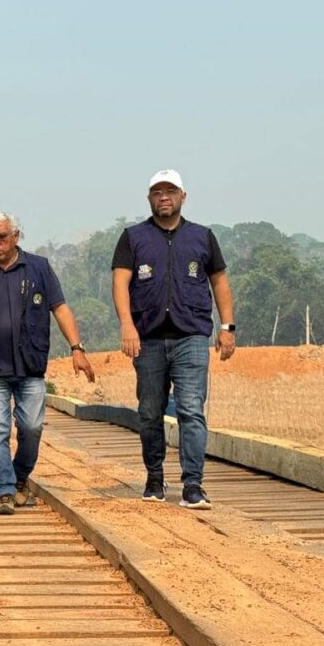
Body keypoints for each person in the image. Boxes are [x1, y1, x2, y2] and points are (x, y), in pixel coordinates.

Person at [0, 212, 95, 515]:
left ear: (16, 236)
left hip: (30, 365)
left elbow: (60, 308)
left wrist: (76, 348)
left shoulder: (39, 267)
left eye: (1, 236)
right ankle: (4, 492)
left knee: (31, 427)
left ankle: (19, 477)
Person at [111, 169, 236, 510]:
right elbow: (120, 282)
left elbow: (220, 282)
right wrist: (127, 326)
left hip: (191, 336)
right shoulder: (133, 237)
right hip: (148, 338)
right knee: (150, 411)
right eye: (157, 192)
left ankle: (193, 484)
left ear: (183, 196)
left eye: (170, 191)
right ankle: (154, 477)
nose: (163, 197)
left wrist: (227, 327)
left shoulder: (202, 237)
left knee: (191, 410)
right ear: (149, 198)